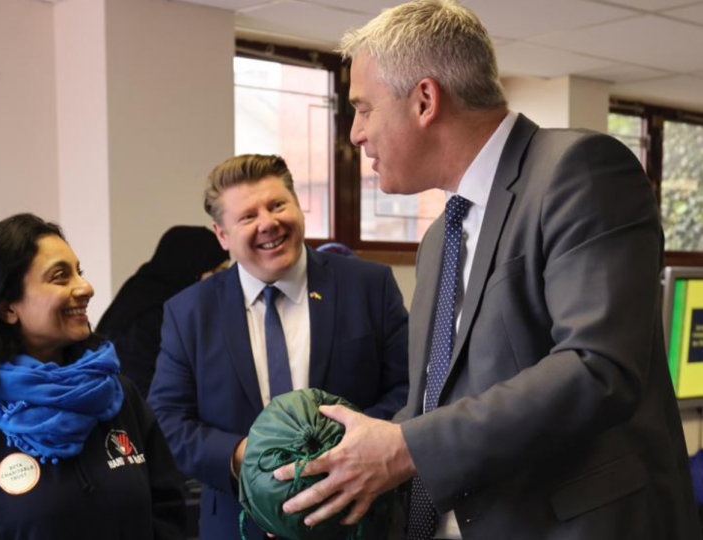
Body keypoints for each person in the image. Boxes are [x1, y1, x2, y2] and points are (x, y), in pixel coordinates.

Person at [273, 2, 701, 539]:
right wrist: (334, 478)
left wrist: (406, 448)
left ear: (425, 100)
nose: (355, 133)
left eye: (362, 108)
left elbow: (597, 368)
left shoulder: (579, 170)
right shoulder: (437, 239)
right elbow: (442, 404)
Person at [149, 154, 409, 540]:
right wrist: (248, 457)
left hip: (358, 518)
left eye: (277, 205)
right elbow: (167, 419)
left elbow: (409, 389)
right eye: (247, 216)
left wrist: (344, 453)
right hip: (238, 526)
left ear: (297, 205)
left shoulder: (369, 286)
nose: (268, 223)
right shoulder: (189, 312)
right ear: (221, 235)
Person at [0, 213, 187, 540]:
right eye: (60, 277)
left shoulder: (116, 395)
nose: (85, 287)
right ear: (8, 308)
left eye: (79, 272)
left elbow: (167, 506)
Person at [96, 225, 229, 399]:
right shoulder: (145, 314)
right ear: (191, 271)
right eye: (216, 272)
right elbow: (141, 391)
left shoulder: (170, 304)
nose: (224, 281)